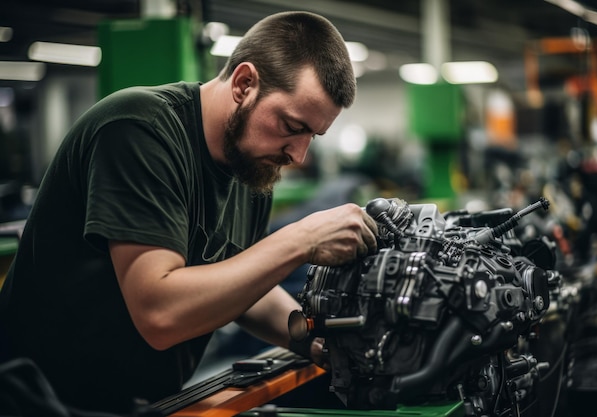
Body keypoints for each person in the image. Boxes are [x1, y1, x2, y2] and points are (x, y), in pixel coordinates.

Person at [0, 11, 378, 414]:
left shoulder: (252, 166)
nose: (298, 154)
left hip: (145, 402)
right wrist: (300, 240)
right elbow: (159, 312)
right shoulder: (138, 129)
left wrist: (315, 338)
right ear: (244, 83)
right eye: (291, 125)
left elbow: (241, 283)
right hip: (38, 401)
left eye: (312, 136)